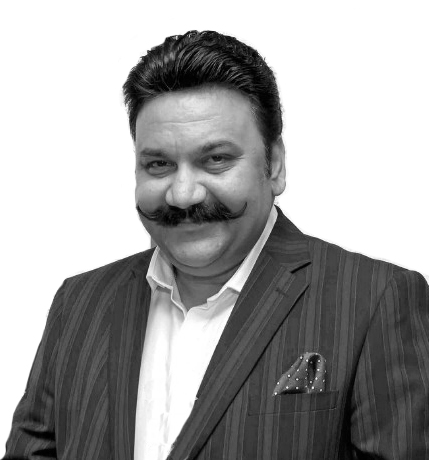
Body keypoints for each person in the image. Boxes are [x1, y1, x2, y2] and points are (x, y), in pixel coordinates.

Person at [2, 30, 429, 460]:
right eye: (159, 164)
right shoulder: (79, 303)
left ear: (275, 165)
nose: (182, 194)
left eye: (216, 159)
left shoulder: (375, 299)